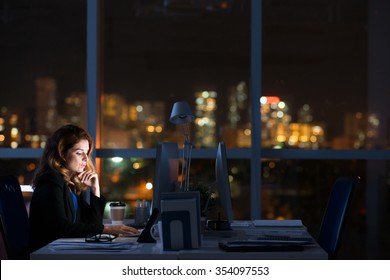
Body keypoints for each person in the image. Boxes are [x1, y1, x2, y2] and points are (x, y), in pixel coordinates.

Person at [29, 124, 139, 252]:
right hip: (46, 255)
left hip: (62, 252)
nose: (86, 159)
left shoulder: (70, 183)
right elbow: (60, 228)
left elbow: (93, 224)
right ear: (63, 153)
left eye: (86, 153)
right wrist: (107, 229)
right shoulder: (51, 181)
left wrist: (95, 190)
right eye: (79, 153)